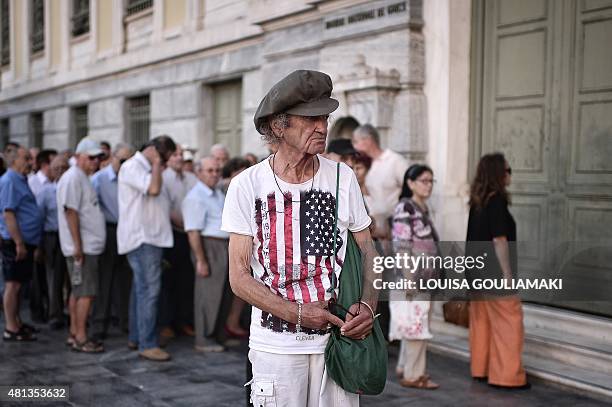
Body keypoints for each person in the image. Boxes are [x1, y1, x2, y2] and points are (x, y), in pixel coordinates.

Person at [222, 70, 378, 407]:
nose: (323, 126)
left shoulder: (342, 178)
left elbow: (368, 251)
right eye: (310, 119)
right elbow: (239, 278)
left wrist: (367, 304)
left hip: (336, 345)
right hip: (275, 349)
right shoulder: (246, 186)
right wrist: (296, 313)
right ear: (278, 126)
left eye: (325, 117)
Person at [466, 152, 529, 389]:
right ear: (499, 174)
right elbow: (499, 240)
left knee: (482, 322)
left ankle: (480, 369)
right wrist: (507, 275)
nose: (510, 174)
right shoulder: (497, 201)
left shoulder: (477, 201)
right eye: (508, 169)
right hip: (495, 274)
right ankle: (507, 377)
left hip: (476, 273)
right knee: (509, 322)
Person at [118, 135, 176, 362]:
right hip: (143, 239)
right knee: (148, 292)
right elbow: (152, 190)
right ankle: (147, 343)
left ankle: (137, 336)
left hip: (152, 238)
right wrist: (155, 163)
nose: (165, 163)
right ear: (154, 151)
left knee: (140, 291)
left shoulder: (150, 169)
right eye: (165, 157)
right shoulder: (133, 166)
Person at [389, 164, 440, 389]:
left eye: (431, 181)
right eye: (423, 180)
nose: (428, 185)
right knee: (416, 328)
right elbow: (402, 246)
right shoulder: (405, 208)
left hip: (425, 278)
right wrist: (409, 279)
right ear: (410, 183)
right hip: (413, 279)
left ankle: (405, 367)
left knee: (413, 325)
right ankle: (414, 376)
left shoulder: (422, 208)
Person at [57, 138, 106, 353]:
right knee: (85, 293)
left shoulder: (82, 177)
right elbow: (71, 212)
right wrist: (78, 246)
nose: (95, 161)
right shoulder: (73, 178)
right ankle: (81, 337)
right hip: (83, 248)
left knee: (79, 292)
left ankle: (74, 333)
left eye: (98, 157)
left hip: (86, 247)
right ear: (78, 157)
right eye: (91, 157)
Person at [182, 157, 229, 352]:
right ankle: (203, 339)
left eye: (217, 170)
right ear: (198, 172)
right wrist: (201, 260)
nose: (214, 174)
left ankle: (216, 335)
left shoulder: (216, 193)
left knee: (222, 294)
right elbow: (193, 232)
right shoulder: (195, 197)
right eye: (210, 170)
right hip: (209, 247)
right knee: (207, 294)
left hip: (224, 245)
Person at [90, 143, 134, 340]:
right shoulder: (98, 179)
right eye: (122, 160)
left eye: (129, 161)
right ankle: (99, 325)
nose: (125, 165)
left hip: (128, 230)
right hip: (108, 231)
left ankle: (125, 322)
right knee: (104, 280)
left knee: (125, 281)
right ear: (112, 157)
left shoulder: (132, 179)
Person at [1, 145, 42, 341]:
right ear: (14, 160)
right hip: (16, 242)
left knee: (18, 284)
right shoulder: (10, 180)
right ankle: (11, 327)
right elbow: (9, 214)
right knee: (13, 285)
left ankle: (17, 322)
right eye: (26, 158)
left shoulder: (20, 179)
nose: (30, 163)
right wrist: (19, 243)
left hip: (25, 240)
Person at [159, 144, 198, 344]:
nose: (179, 158)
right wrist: (186, 225)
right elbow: (167, 210)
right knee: (169, 282)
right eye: (174, 154)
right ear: (167, 158)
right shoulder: (163, 178)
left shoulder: (191, 178)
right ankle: (166, 324)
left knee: (186, 280)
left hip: (190, 235)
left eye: (180, 154)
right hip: (172, 235)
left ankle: (183, 321)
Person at [352, 124, 408, 240]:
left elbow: (410, 191)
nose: (354, 147)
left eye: (356, 142)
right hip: (370, 232)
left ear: (368, 140)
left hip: (395, 231)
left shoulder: (395, 161)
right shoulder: (362, 166)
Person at [36, 155, 70, 330]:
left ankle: (70, 311)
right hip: (52, 237)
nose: (61, 171)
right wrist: (40, 246)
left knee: (71, 277)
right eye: (57, 168)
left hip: (71, 236)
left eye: (64, 168)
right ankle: (55, 314)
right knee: (54, 278)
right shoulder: (46, 192)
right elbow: (39, 220)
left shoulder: (72, 187)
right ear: (51, 171)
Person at [27, 148, 58, 323]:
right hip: (40, 235)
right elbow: (37, 215)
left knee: (51, 276)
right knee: (37, 277)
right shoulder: (33, 183)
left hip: (53, 235)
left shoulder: (54, 184)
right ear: (46, 164)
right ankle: (38, 311)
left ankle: (51, 309)